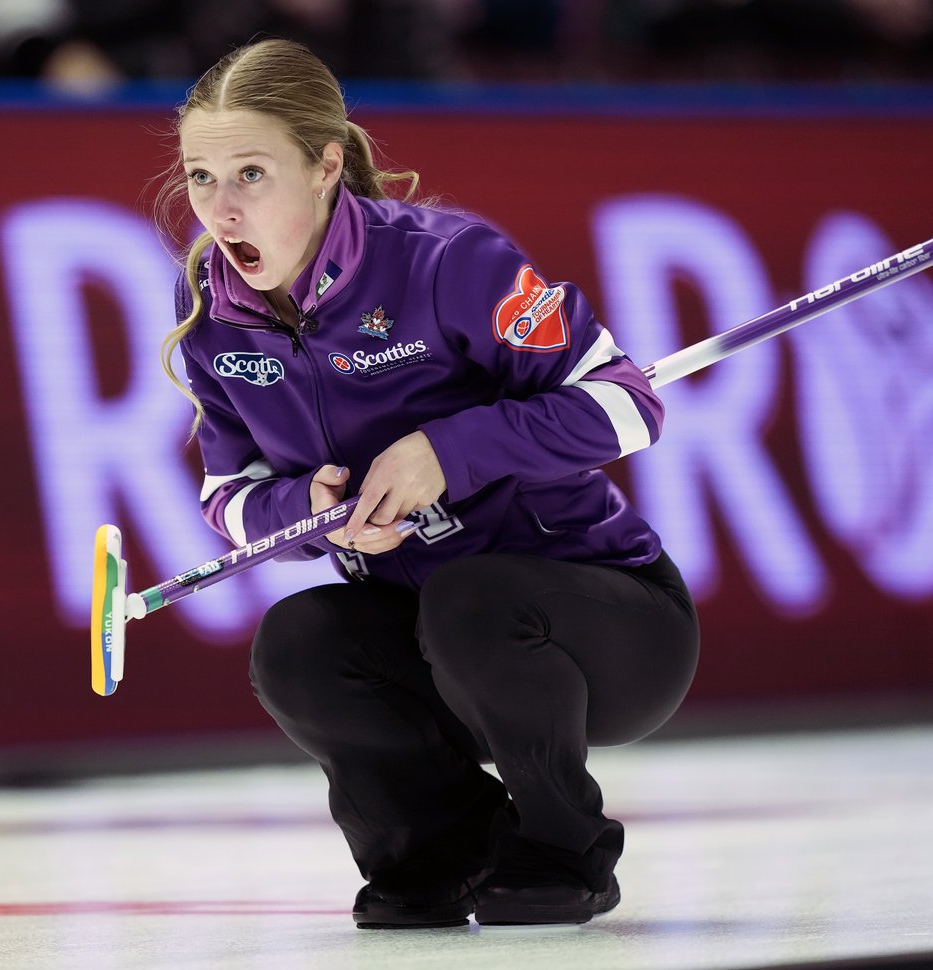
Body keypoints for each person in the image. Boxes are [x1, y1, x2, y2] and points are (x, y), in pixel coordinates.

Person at [157, 38, 699, 929]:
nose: (221, 207)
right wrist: (312, 512)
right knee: (297, 641)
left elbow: (629, 408)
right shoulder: (218, 321)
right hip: (437, 647)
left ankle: (564, 848)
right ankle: (444, 850)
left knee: (470, 596)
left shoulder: (448, 261)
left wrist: (454, 449)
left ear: (327, 164)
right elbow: (230, 496)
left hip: (613, 631)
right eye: (202, 177)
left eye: (251, 173)